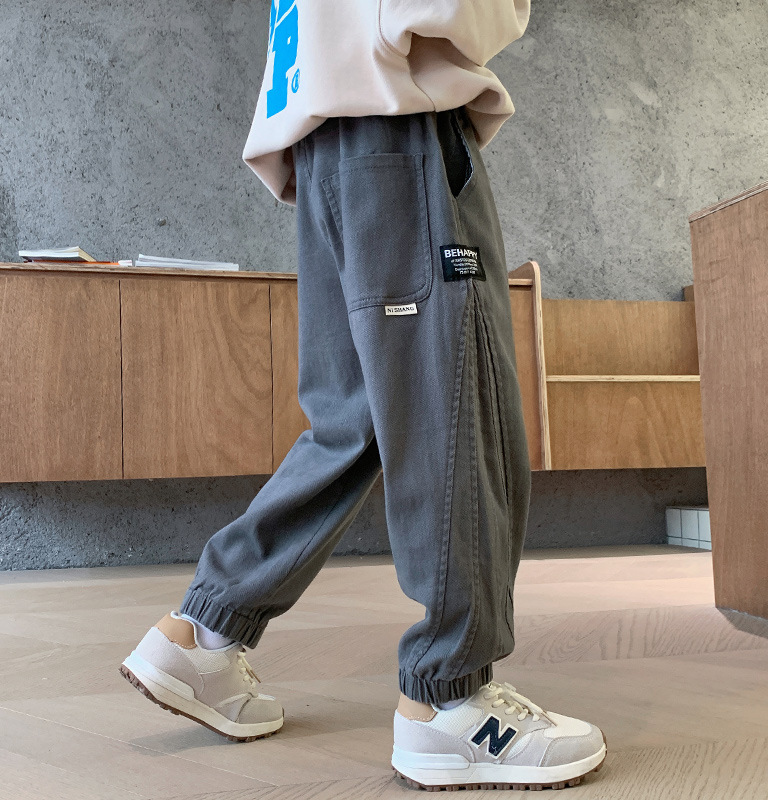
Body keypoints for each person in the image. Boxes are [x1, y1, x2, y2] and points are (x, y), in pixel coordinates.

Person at [120, 0, 606, 790]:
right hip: (398, 132)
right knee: (455, 405)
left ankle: (205, 632)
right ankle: (451, 701)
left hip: (325, 149)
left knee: (357, 419)